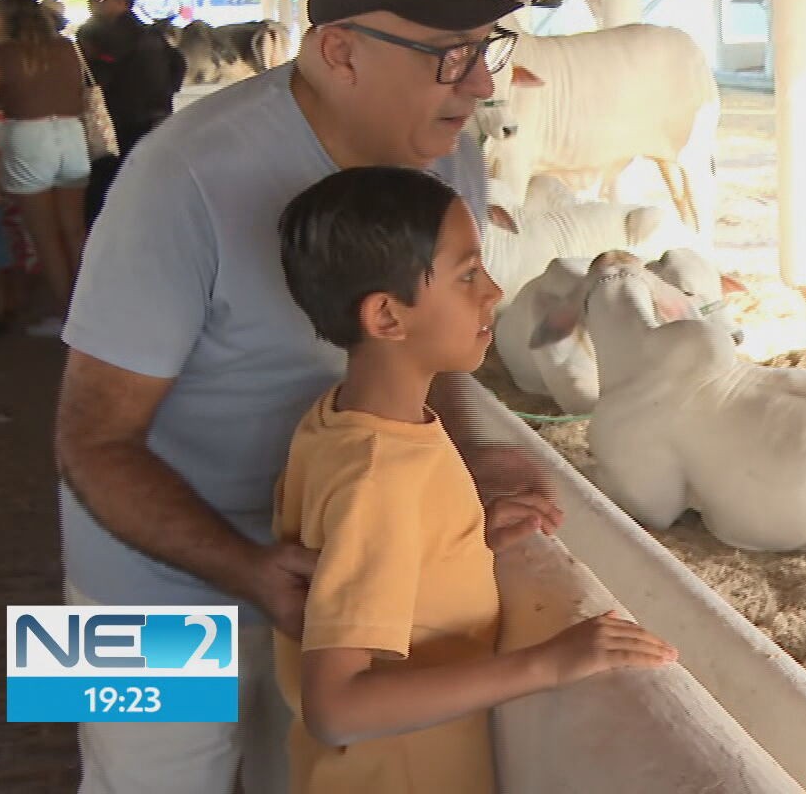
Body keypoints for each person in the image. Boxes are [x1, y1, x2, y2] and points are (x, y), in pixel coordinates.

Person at [52, 0, 560, 794]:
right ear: (339, 52)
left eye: (488, 48)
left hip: (340, 579)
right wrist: (247, 568)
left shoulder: (450, 164)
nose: (481, 85)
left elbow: (418, 360)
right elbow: (86, 443)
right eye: (451, 55)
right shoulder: (176, 177)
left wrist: (467, 463)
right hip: (136, 585)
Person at [272, 166, 675, 792]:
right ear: (386, 316)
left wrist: (453, 546)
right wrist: (548, 662)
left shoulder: (341, 424)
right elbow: (337, 704)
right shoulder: (380, 475)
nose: (493, 290)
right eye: (467, 275)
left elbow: (363, 569)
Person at [0, 0, 93, 335]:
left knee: (44, 236)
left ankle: (67, 318)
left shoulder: (0, 54)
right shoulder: (68, 47)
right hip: (72, 134)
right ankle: (93, 310)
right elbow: (82, 94)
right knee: (73, 230)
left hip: (27, 136)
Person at [76, 0, 185, 228]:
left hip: (120, 120)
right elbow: (178, 65)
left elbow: (96, 77)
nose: (97, 5)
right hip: (157, 115)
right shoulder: (153, 35)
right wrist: (166, 94)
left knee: (111, 182)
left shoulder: (99, 36)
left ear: (121, 1)